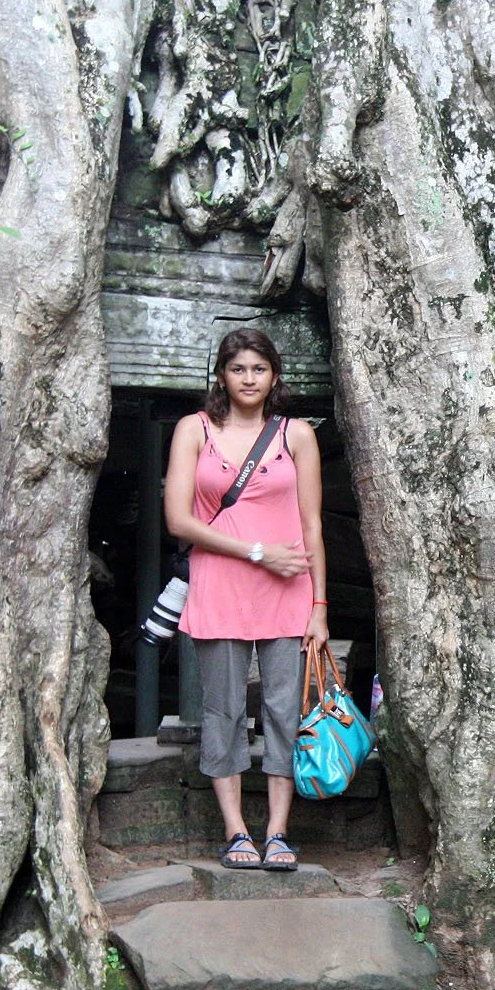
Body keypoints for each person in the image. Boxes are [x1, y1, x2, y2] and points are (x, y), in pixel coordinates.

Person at [164, 328, 330, 870]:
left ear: (275, 376)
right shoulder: (194, 430)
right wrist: (258, 552)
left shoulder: (296, 435)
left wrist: (320, 608)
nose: (249, 379)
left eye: (259, 368)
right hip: (219, 586)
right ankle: (236, 830)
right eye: (238, 369)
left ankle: (278, 832)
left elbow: (311, 526)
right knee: (224, 710)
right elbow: (178, 520)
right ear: (221, 376)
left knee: (284, 710)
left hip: (289, 591)